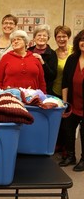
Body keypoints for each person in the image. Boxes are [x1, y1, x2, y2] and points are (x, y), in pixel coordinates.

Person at [58, 29, 84, 172]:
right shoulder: (72, 59)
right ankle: (70, 156)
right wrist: (65, 103)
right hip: (73, 103)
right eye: (81, 40)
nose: (83, 43)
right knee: (68, 130)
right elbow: (65, 83)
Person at [53, 25, 73, 156]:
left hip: (72, 90)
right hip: (56, 90)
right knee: (58, 119)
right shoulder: (54, 53)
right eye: (58, 36)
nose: (61, 39)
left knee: (69, 120)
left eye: (64, 36)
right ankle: (59, 144)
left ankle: (68, 146)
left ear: (68, 37)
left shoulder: (74, 51)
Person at [28, 24, 57, 95]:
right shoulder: (28, 51)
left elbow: (52, 76)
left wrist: (42, 62)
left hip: (45, 91)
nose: (42, 37)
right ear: (34, 38)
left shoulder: (52, 53)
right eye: (39, 35)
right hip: (29, 90)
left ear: (48, 38)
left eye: (44, 35)